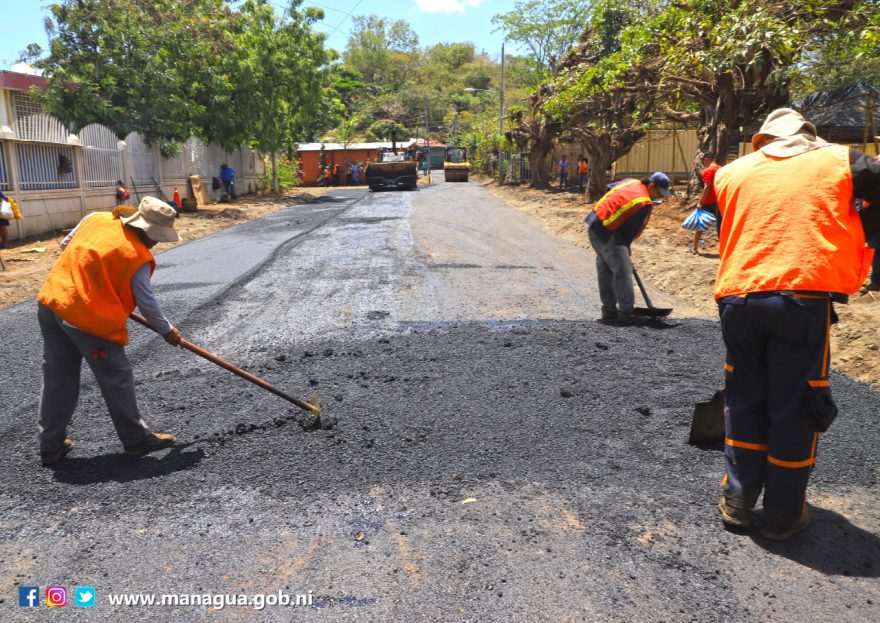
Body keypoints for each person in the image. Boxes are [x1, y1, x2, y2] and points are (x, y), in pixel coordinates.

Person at [714, 108, 880, 540]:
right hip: (800, 301)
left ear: (763, 140)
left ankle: (738, 501)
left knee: (744, 399)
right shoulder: (842, 160)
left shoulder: (732, 172)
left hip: (739, 298)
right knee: (795, 406)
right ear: (807, 135)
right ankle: (784, 515)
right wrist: (866, 232)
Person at [36, 197, 183, 466]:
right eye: (156, 236)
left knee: (58, 377)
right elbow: (147, 303)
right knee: (116, 376)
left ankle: (50, 445)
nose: (156, 242)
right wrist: (167, 331)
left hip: (53, 303)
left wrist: (95, 279)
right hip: (87, 319)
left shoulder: (95, 219)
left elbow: (67, 245)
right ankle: (136, 439)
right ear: (144, 229)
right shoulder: (136, 256)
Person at [585, 172, 672, 322]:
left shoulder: (630, 182)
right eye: (659, 193)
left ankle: (608, 311)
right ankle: (626, 312)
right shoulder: (643, 202)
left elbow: (610, 188)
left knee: (605, 267)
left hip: (594, 223)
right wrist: (625, 248)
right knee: (623, 270)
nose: (660, 197)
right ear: (652, 186)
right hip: (609, 230)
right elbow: (630, 231)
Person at [688, 151, 721, 254]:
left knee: (700, 225)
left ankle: (695, 248)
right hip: (720, 201)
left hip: (708, 201)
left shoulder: (707, 171)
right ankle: (724, 249)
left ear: (706, 159)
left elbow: (707, 187)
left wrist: (700, 203)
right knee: (721, 225)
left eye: (704, 161)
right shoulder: (722, 169)